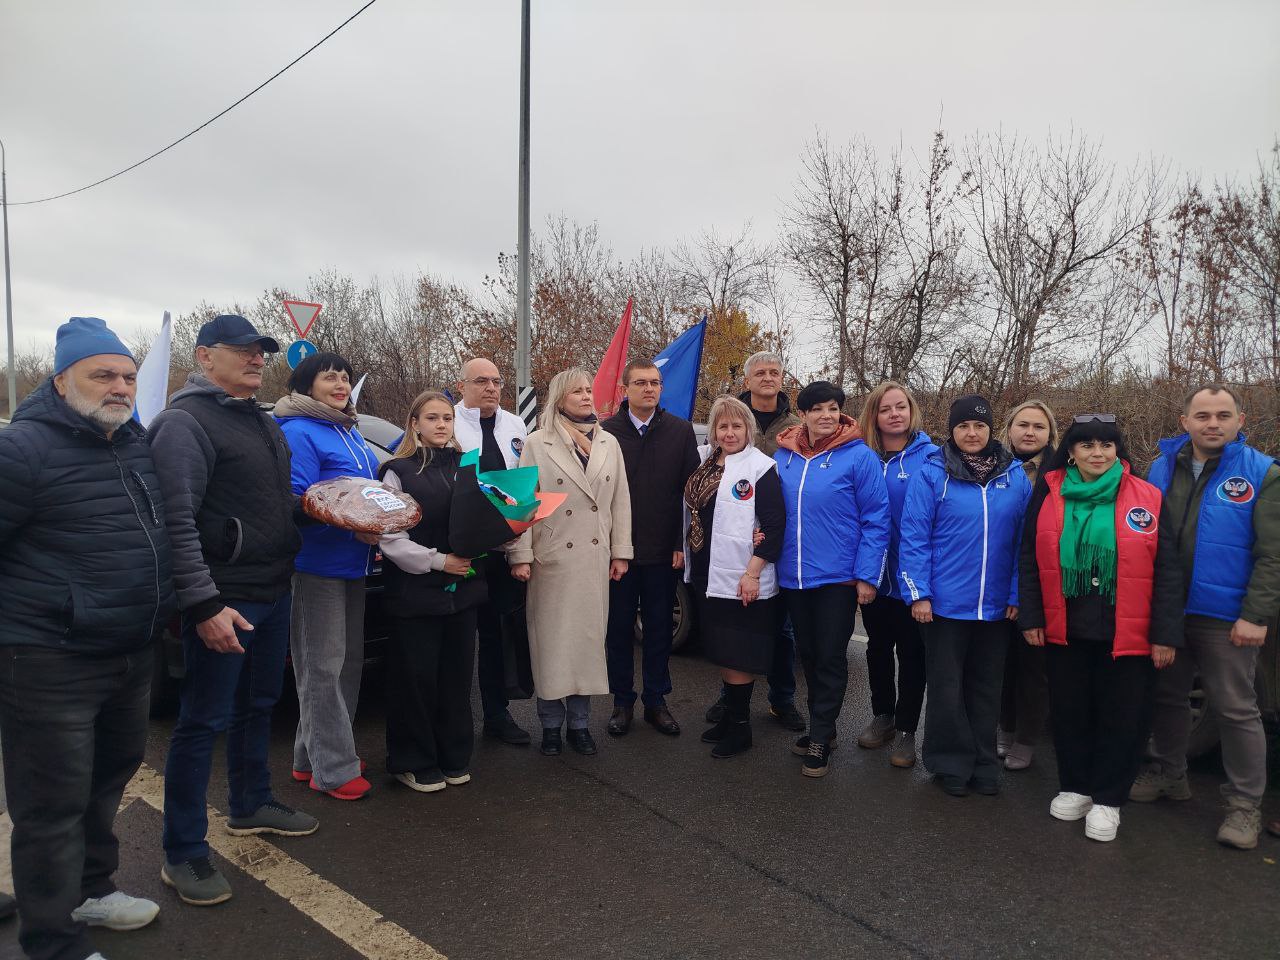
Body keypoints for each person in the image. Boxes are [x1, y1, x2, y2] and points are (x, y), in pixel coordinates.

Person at [0, 318, 174, 960]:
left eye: (127, 376)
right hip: (49, 660)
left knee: (106, 781)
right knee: (51, 806)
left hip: (127, 653)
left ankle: (91, 891)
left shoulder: (131, 444)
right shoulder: (22, 452)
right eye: (103, 374)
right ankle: (52, 943)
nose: (120, 387)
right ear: (61, 379)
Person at [150, 315, 317, 907]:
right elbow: (175, 522)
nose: (255, 358)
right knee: (202, 721)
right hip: (225, 599)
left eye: (260, 351)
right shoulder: (184, 423)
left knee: (260, 705)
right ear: (203, 357)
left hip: (272, 590)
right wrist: (203, 603)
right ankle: (183, 850)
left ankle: (250, 804)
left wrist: (331, 506)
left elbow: (272, 504)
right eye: (242, 350)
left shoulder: (262, 420)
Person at [1018, 414, 1182, 841]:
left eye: (1106, 445)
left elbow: (1167, 570)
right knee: (1071, 712)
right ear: (1070, 451)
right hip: (1066, 627)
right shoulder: (1050, 494)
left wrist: (1165, 633)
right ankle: (1075, 785)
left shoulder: (1146, 496)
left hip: (1128, 632)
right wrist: (1033, 616)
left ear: (1117, 450)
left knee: (1123, 717)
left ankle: (1109, 798)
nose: (1097, 453)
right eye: (1087, 445)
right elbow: (1029, 560)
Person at [1131, 384, 1280, 850]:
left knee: (1236, 709)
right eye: (1202, 416)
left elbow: (1273, 554)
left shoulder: (1263, 473)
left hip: (1227, 615)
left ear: (1240, 421)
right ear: (1185, 421)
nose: (1212, 423)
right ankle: (1170, 774)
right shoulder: (1162, 467)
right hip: (1170, 608)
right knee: (1169, 696)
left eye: (1222, 415)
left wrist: (1255, 614)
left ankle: (1243, 807)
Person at [899, 395, 1032, 797]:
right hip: (944, 605)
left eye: (978, 426)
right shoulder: (933, 472)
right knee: (946, 688)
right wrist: (919, 594)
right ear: (952, 431)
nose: (971, 433)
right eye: (962, 427)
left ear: (991, 430)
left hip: (995, 607)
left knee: (986, 688)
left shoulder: (1015, 476)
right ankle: (949, 763)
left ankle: (983, 763)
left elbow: (1024, 542)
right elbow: (914, 535)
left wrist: (1015, 593)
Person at [508, 368, 633, 756]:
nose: (585, 397)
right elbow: (521, 503)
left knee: (586, 648)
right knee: (551, 647)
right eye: (576, 391)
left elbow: (620, 501)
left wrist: (620, 551)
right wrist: (521, 554)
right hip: (552, 561)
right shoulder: (536, 443)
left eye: (588, 390)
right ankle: (550, 726)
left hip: (594, 560)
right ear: (560, 398)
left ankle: (580, 726)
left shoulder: (609, 442)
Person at [275, 353, 380, 801]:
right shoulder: (298, 431)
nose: (340, 383)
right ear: (305, 384)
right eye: (329, 376)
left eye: (345, 376)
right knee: (321, 667)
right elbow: (298, 502)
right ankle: (333, 770)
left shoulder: (348, 429)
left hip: (353, 563)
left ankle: (311, 757)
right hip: (315, 566)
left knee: (345, 663)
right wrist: (349, 520)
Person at [774, 381, 891, 778]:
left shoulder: (860, 458)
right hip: (794, 576)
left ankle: (822, 736)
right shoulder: (784, 456)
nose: (826, 415)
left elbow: (877, 520)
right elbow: (771, 511)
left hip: (837, 579)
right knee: (807, 656)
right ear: (803, 414)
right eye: (817, 409)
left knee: (829, 657)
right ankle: (821, 725)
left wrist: (866, 576)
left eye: (833, 408)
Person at [376, 390, 486, 792]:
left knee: (456, 680)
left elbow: (486, 517)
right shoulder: (397, 472)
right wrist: (440, 561)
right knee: (416, 681)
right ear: (415, 424)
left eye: (447, 418)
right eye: (432, 418)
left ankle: (453, 756)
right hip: (415, 595)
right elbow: (391, 537)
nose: (442, 424)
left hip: (463, 593)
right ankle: (413, 760)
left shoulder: (467, 466)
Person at [706, 351, 806, 732]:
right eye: (759, 372)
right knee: (732, 633)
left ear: (782, 378)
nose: (767, 377)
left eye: (774, 372)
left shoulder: (797, 426)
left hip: (776, 540)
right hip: (736, 546)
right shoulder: (729, 418)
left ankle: (782, 699)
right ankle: (730, 701)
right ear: (747, 380)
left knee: (781, 631)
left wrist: (764, 527)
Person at [601, 360, 699, 737]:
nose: (649, 389)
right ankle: (621, 701)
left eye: (655, 383)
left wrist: (680, 543)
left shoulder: (680, 430)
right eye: (640, 382)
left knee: (659, 630)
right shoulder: (606, 432)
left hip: (663, 551)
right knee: (619, 629)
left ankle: (656, 700)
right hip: (619, 553)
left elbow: (688, 493)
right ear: (625, 388)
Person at [685, 397, 786, 758]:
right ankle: (730, 716)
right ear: (714, 431)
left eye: (737, 426)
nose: (730, 433)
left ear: (749, 430)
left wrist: (753, 574)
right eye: (723, 426)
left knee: (740, 651)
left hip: (741, 574)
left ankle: (741, 728)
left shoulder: (761, 467)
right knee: (722, 649)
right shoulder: (704, 462)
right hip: (706, 570)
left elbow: (774, 526)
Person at [854, 381, 938, 769]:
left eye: (900, 406)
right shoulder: (862, 456)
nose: (894, 414)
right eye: (885, 408)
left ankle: (906, 730)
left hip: (913, 579)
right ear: (875, 416)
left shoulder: (932, 458)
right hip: (874, 576)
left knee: (913, 653)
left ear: (911, 410)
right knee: (876, 649)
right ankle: (883, 716)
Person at [453, 357, 532, 746]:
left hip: (503, 550)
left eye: (496, 381)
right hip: (461, 552)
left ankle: (497, 715)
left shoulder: (516, 425)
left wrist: (520, 552)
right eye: (480, 381)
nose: (490, 387)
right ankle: (454, 717)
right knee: (460, 638)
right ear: (461, 385)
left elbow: (523, 488)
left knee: (499, 635)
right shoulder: (447, 424)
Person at [997, 400, 1059, 771]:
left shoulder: (1060, 474)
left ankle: (1026, 738)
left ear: (1050, 434)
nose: (1030, 432)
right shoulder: (993, 465)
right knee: (1001, 663)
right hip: (997, 579)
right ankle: (1004, 726)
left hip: (1041, 582)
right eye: (1023, 425)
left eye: (1039, 426)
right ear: (1009, 428)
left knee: (1033, 666)